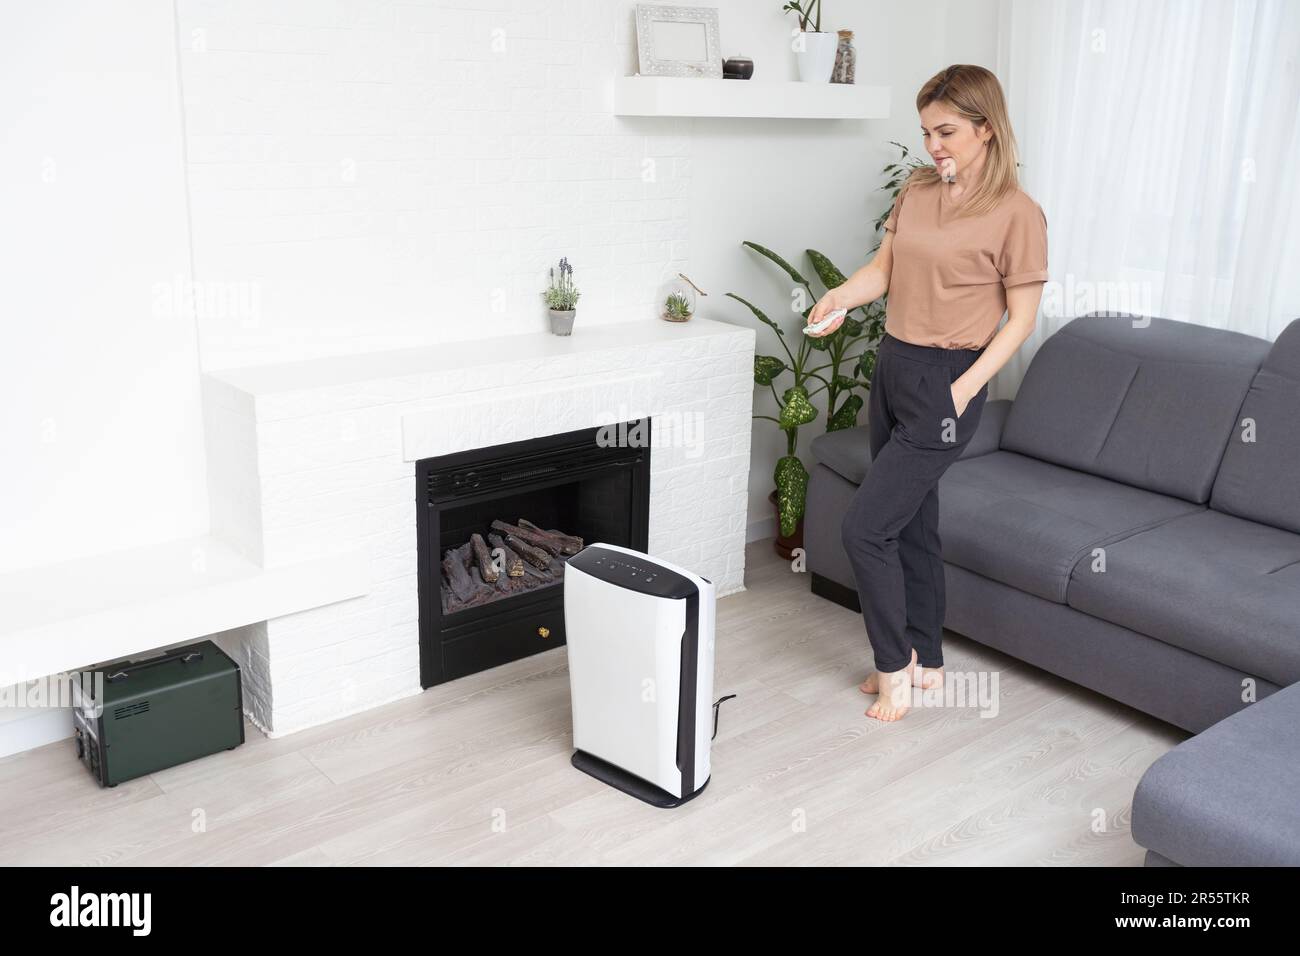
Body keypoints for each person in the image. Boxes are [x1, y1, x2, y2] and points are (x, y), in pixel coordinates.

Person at [806, 64, 1049, 722]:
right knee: (913, 521)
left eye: (946, 131)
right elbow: (883, 269)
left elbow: (1020, 321)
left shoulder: (1017, 214)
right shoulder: (917, 189)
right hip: (894, 366)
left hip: (950, 379)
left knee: (865, 529)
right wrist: (838, 296)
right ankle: (929, 658)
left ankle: (894, 670)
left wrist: (963, 392)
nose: (933, 145)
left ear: (986, 129)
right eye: (926, 132)